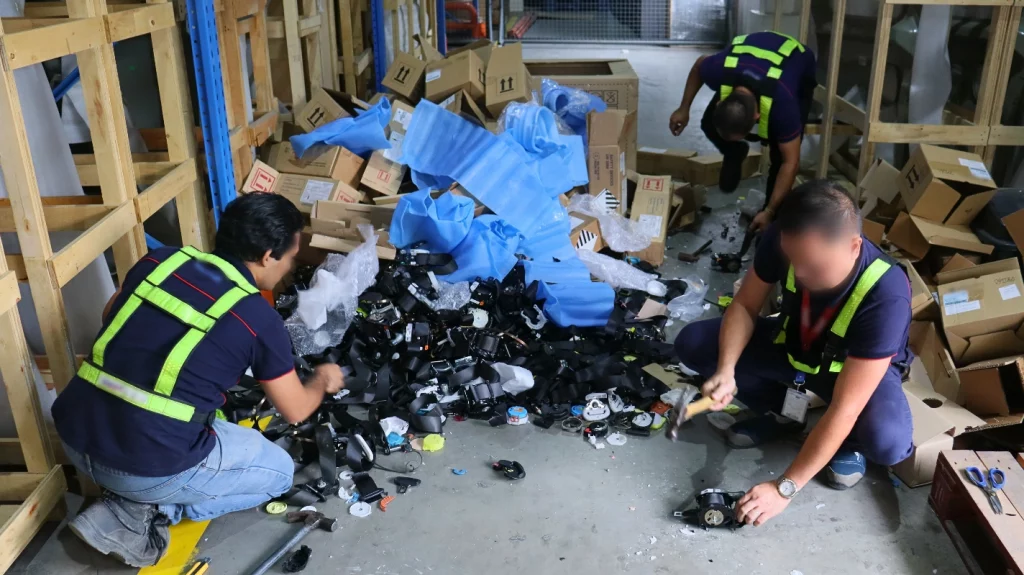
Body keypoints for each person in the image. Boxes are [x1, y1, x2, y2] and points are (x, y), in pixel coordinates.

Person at [52, 193, 345, 567]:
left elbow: (112, 315)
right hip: (142, 467)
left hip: (74, 435)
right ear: (269, 255)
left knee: (213, 424)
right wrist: (322, 379)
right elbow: (295, 409)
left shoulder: (161, 261)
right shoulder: (256, 316)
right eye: (290, 258)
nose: (288, 269)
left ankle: (135, 494)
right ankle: (140, 511)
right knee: (278, 474)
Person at [673, 179, 914, 527]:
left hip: (852, 372)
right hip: (795, 346)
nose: (800, 273)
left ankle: (849, 444)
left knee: (887, 440)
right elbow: (744, 305)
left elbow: (846, 407)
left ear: (853, 246)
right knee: (694, 343)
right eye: (793, 260)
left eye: (814, 267)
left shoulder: (886, 294)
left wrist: (784, 488)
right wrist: (726, 370)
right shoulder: (784, 239)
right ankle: (783, 412)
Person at [669, 31, 817, 232]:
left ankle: (768, 219)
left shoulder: (783, 104)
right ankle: (735, 152)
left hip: (796, 64)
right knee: (708, 123)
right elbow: (699, 64)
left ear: (758, 117)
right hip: (750, 60)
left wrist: (771, 211)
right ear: (722, 100)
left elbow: (791, 162)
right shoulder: (720, 70)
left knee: (779, 155)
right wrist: (683, 108)